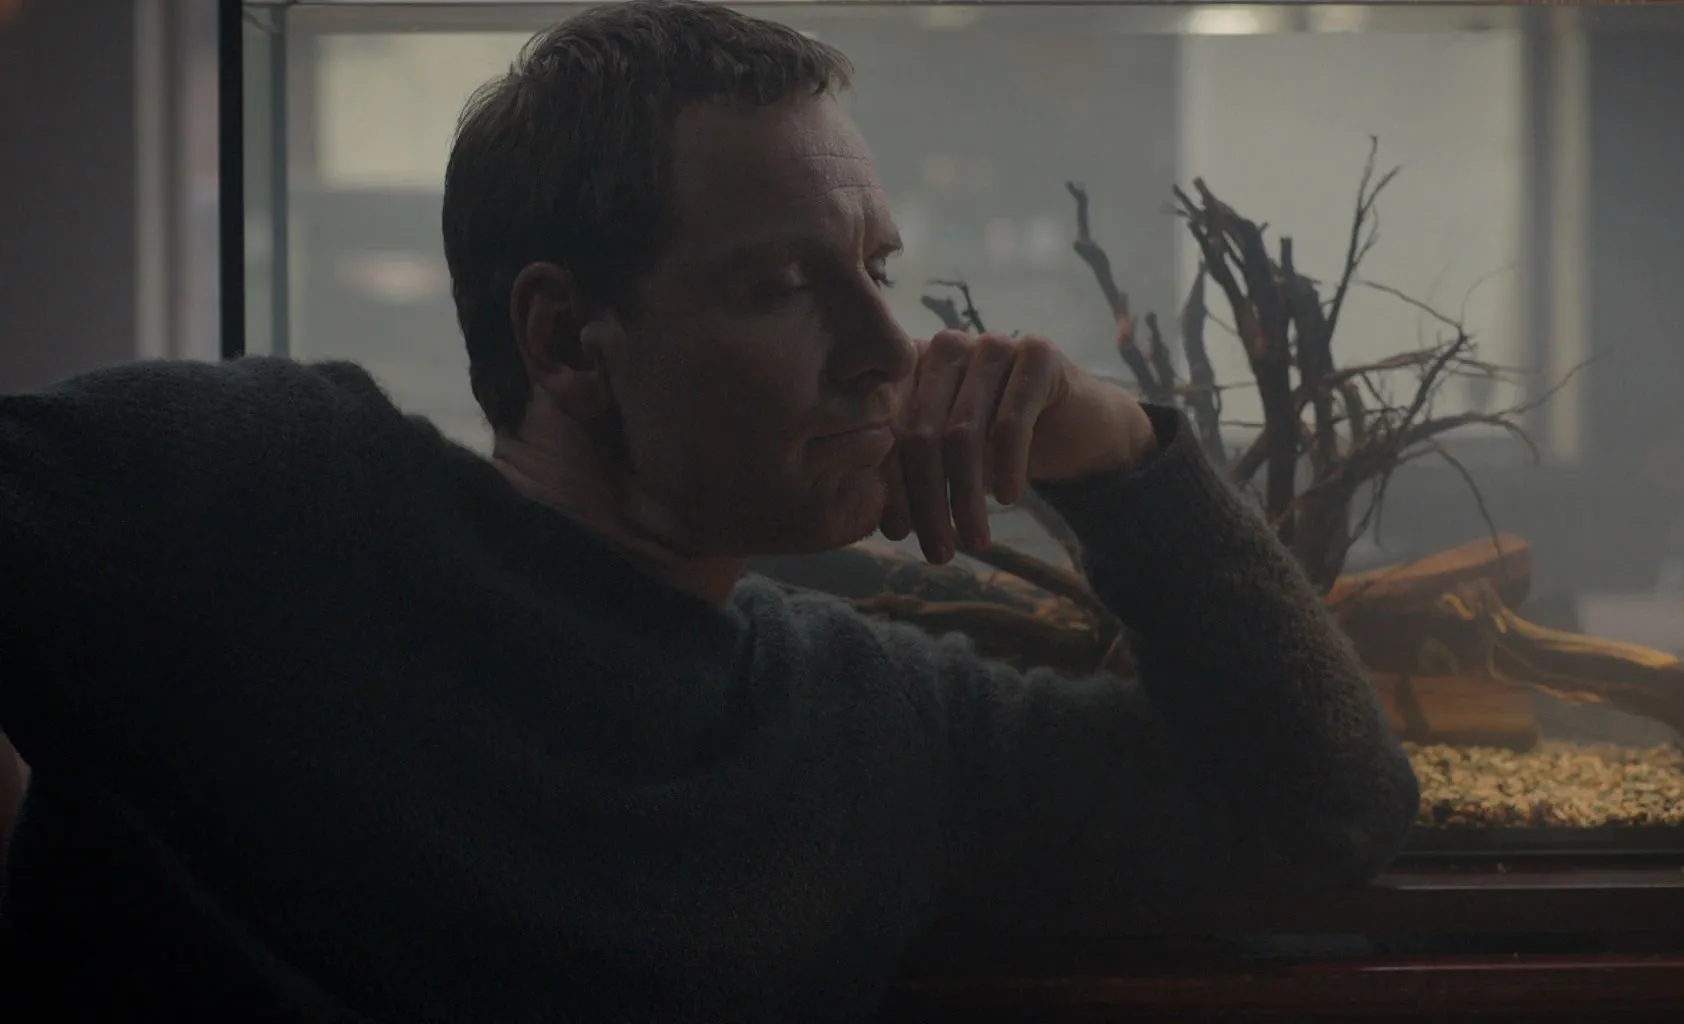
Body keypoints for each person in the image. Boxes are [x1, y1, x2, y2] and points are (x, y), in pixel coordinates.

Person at [0, 1, 1419, 1020]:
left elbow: (1325, 806)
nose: (889, 348)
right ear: (567, 340)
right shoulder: (265, 496)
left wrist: (1121, 455)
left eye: (877, 270)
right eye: (784, 285)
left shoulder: (871, 724)